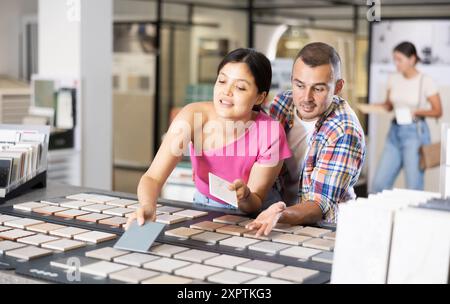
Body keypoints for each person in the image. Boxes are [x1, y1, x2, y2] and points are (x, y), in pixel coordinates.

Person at [126, 48, 292, 228]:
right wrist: (148, 206)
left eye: (240, 87)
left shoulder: (270, 132)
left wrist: (245, 196)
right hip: (204, 205)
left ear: (260, 97)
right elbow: (153, 178)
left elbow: (256, 201)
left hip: (258, 216)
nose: (226, 91)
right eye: (222, 81)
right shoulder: (193, 116)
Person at [247, 42, 366, 236]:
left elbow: (319, 205)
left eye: (318, 89)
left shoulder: (344, 131)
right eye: (299, 85)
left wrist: (279, 214)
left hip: (324, 230)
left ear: (337, 87)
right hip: (276, 217)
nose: (306, 98)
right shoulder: (283, 103)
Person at [371, 41, 442, 193]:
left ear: (412, 59)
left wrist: (417, 112)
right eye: (394, 59)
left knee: (413, 187)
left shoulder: (425, 81)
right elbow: (389, 105)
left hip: (415, 133)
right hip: (394, 132)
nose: (396, 63)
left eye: (399, 59)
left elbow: (438, 111)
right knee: (378, 185)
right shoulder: (393, 78)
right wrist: (376, 106)